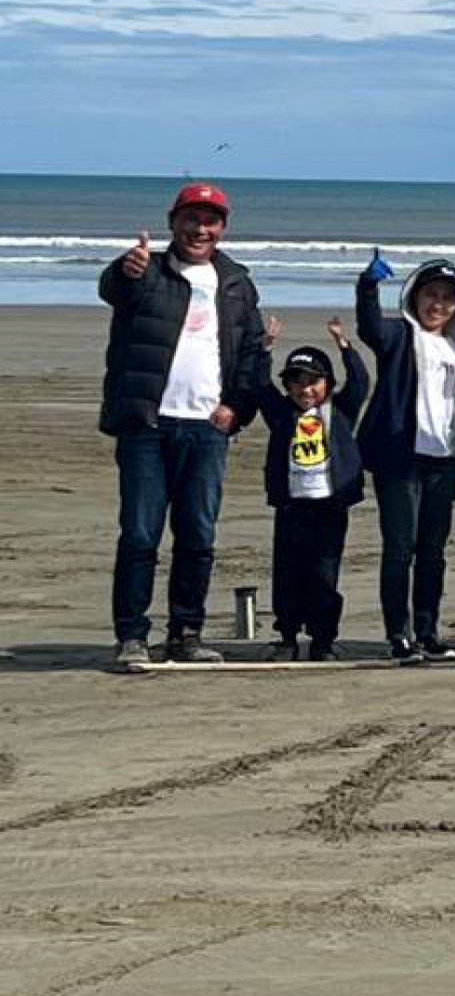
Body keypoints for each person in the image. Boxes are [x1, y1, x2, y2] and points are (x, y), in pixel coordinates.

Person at [101, 181, 267, 671]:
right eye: (191, 218)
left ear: (222, 228)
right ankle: (132, 636)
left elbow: (252, 353)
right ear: (174, 221)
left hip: (207, 428)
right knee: (139, 534)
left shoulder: (236, 282)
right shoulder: (146, 270)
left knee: (197, 535)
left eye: (210, 220)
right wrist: (123, 269)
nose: (200, 228)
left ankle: (186, 633)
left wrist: (236, 407)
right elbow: (113, 289)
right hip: (147, 424)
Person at [356, 252, 455, 664]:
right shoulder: (400, 334)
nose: (437, 304)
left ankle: (428, 631)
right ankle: (398, 634)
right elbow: (370, 327)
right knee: (399, 548)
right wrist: (368, 286)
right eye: (430, 295)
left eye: (447, 298)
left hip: (444, 459)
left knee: (433, 551)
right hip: (401, 459)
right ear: (414, 297)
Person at [254, 328, 369, 662]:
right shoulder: (281, 414)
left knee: (324, 573)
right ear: (288, 386)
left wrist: (344, 345)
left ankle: (322, 639)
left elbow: (360, 381)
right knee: (288, 572)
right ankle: (287, 637)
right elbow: (260, 387)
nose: (306, 389)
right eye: (297, 382)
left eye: (313, 382)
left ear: (327, 385)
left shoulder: (340, 410)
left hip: (330, 506)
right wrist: (266, 348)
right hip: (292, 506)